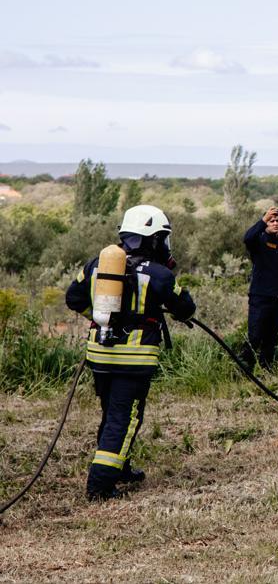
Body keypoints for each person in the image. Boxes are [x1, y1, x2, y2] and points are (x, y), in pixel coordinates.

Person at [64, 205, 197, 501]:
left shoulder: (97, 265)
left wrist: (101, 319)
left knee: (112, 413)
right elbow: (185, 307)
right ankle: (100, 486)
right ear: (153, 239)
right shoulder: (158, 274)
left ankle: (121, 469)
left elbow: (73, 298)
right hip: (134, 359)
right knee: (123, 419)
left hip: (100, 355)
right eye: (162, 238)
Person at [241, 203, 278, 371]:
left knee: (271, 339)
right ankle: (244, 369)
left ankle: (266, 371)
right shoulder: (258, 242)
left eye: (277, 220)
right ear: (266, 223)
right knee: (255, 337)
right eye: (272, 221)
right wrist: (263, 219)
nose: (275, 223)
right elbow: (247, 238)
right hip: (260, 299)